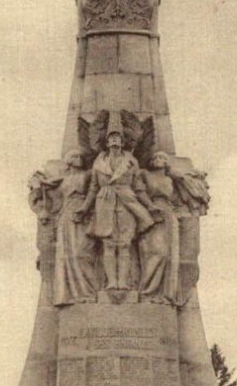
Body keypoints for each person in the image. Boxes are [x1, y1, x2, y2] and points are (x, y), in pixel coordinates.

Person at [75, 129, 162, 291]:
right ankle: (111, 282)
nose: (114, 141)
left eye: (118, 138)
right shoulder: (98, 162)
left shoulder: (131, 161)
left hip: (127, 202)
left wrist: (150, 206)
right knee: (108, 244)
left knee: (124, 244)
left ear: (122, 142)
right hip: (105, 202)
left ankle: (122, 281)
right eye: (111, 138)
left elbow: (138, 187)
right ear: (107, 143)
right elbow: (93, 188)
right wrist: (84, 208)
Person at [52, 149, 98, 305]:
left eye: (80, 156)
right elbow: (47, 183)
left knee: (81, 253)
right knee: (66, 255)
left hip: (82, 214)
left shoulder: (87, 175)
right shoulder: (64, 179)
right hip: (66, 215)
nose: (79, 159)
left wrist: (84, 209)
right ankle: (71, 295)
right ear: (69, 160)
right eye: (75, 156)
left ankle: (89, 291)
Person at [138, 151, 181, 303]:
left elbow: (176, 198)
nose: (157, 160)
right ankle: (147, 292)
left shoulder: (169, 180)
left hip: (169, 215)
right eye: (154, 157)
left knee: (170, 255)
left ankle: (165, 294)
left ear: (166, 162)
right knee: (156, 252)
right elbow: (139, 191)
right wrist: (150, 207)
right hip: (152, 213)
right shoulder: (145, 174)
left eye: (161, 158)